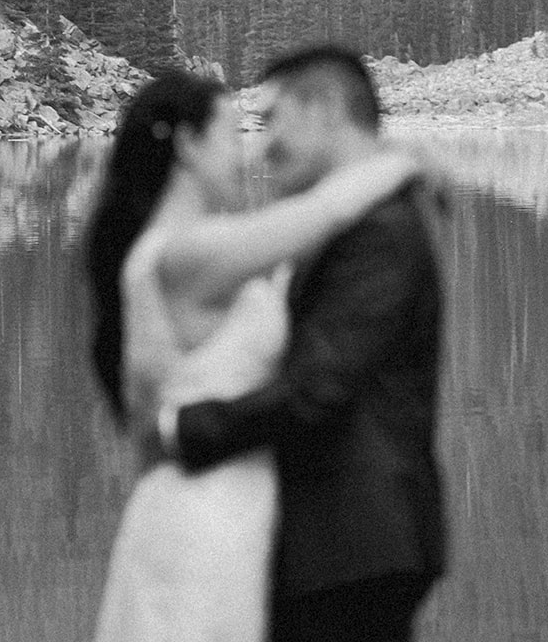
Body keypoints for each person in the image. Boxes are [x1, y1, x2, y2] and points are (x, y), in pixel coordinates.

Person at [86, 65, 421, 642]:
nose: (249, 154)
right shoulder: (192, 251)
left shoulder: (158, 253)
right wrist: (406, 163)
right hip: (210, 514)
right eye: (233, 134)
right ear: (190, 146)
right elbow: (327, 213)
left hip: (207, 503)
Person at [166, 45, 446, 642]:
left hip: (355, 544)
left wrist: (182, 431)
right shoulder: (358, 219)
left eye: (271, 119)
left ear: (321, 109)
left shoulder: (381, 233)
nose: (260, 145)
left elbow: (319, 388)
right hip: (342, 545)